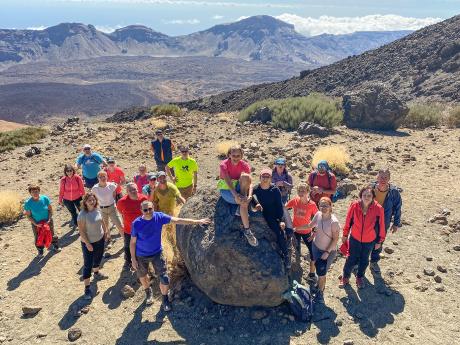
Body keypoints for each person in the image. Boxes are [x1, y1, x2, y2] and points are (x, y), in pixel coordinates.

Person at [130, 200, 210, 311]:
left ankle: (165, 298)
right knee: (142, 276)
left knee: (164, 278)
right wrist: (133, 259)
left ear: (153, 208)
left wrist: (197, 221)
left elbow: (178, 220)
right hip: (141, 255)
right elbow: (132, 242)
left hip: (157, 253)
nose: (148, 211)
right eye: (145, 210)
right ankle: (148, 292)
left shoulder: (159, 217)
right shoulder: (136, 223)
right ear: (141, 211)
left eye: (150, 209)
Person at [340, 185, 386, 289]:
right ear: (361, 195)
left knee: (364, 260)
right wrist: (345, 234)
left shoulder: (379, 209)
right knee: (351, 258)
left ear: (373, 196)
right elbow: (348, 220)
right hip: (355, 238)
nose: (367, 197)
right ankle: (345, 277)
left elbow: (382, 226)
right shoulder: (354, 205)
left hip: (369, 240)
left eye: (369, 195)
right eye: (364, 195)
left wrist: (380, 241)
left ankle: (360, 277)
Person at [252, 168, 293, 269]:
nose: (265, 179)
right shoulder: (256, 188)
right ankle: (285, 253)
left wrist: (281, 220)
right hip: (266, 213)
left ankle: (286, 254)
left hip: (277, 213)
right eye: (263, 176)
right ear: (260, 177)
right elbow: (251, 197)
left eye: (268, 177)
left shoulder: (274, 189)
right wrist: (256, 204)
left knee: (283, 232)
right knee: (277, 232)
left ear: (271, 178)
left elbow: (279, 206)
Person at [302, 197, 340, 304]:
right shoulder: (318, 214)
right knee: (315, 265)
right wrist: (296, 228)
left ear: (330, 206)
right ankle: (315, 283)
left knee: (322, 274)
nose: (323, 208)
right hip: (316, 246)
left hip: (327, 252)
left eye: (325, 205)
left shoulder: (334, 222)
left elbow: (335, 239)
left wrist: (327, 253)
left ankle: (320, 292)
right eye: (321, 205)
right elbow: (310, 225)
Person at [217, 145, 257, 246]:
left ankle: (242, 205)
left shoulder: (244, 165)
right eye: (233, 155)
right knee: (243, 202)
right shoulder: (224, 164)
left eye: (238, 155)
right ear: (229, 155)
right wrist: (235, 195)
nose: (235, 157)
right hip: (227, 188)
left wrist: (250, 195)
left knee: (245, 176)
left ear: (241, 156)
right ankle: (247, 230)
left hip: (239, 187)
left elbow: (250, 182)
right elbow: (228, 181)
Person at [369, 168, 403, 273]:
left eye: (385, 177)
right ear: (377, 177)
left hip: (384, 221)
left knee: (379, 241)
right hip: (368, 220)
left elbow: (398, 208)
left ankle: (374, 262)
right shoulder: (370, 188)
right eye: (381, 177)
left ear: (389, 179)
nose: (383, 179)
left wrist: (396, 223)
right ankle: (357, 262)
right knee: (363, 240)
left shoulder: (394, 192)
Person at [78, 192, 110, 300]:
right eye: (89, 200)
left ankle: (96, 273)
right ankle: (87, 287)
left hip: (100, 239)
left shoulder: (97, 210)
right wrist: (87, 243)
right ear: (85, 202)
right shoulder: (82, 215)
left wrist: (106, 232)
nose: (92, 202)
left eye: (93, 200)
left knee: (98, 257)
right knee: (87, 264)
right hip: (88, 242)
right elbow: (81, 231)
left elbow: (102, 222)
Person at [285, 183, 318, 279]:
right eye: (299, 190)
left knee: (313, 252)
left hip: (307, 232)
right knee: (297, 249)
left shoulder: (312, 205)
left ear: (308, 192)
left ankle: (312, 274)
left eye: (303, 191)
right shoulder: (295, 201)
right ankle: (297, 268)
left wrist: (315, 231)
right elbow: (284, 208)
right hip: (295, 231)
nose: (301, 193)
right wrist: (286, 221)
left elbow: (318, 219)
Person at [117, 183, 148, 270]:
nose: (133, 191)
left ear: (137, 189)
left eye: (134, 189)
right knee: (127, 245)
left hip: (142, 229)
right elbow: (120, 211)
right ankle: (128, 260)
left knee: (141, 245)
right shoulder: (122, 202)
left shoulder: (144, 199)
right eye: (130, 190)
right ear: (127, 192)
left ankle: (140, 261)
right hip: (128, 229)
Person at [24, 185, 60, 256]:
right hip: (36, 223)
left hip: (47, 221)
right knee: (38, 236)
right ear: (30, 193)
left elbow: (50, 210)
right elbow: (29, 216)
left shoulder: (45, 198)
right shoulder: (28, 203)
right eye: (33, 192)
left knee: (52, 233)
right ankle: (40, 250)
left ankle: (55, 246)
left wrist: (49, 219)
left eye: (36, 191)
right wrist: (35, 224)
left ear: (39, 191)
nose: (35, 193)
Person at [58, 164, 85, 228]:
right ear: (65, 172)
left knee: (82, 211)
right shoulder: (63, 180)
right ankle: (78, 226)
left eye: (70, 170)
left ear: (73, 171)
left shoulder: (77, 178)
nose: (69, 172)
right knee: (73, 212)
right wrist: (60, 200)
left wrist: (84, 197)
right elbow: (61, 191)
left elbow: (82, 188)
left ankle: (84, 224)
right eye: (67, 171)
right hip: (67, 200)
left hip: (78, 197)